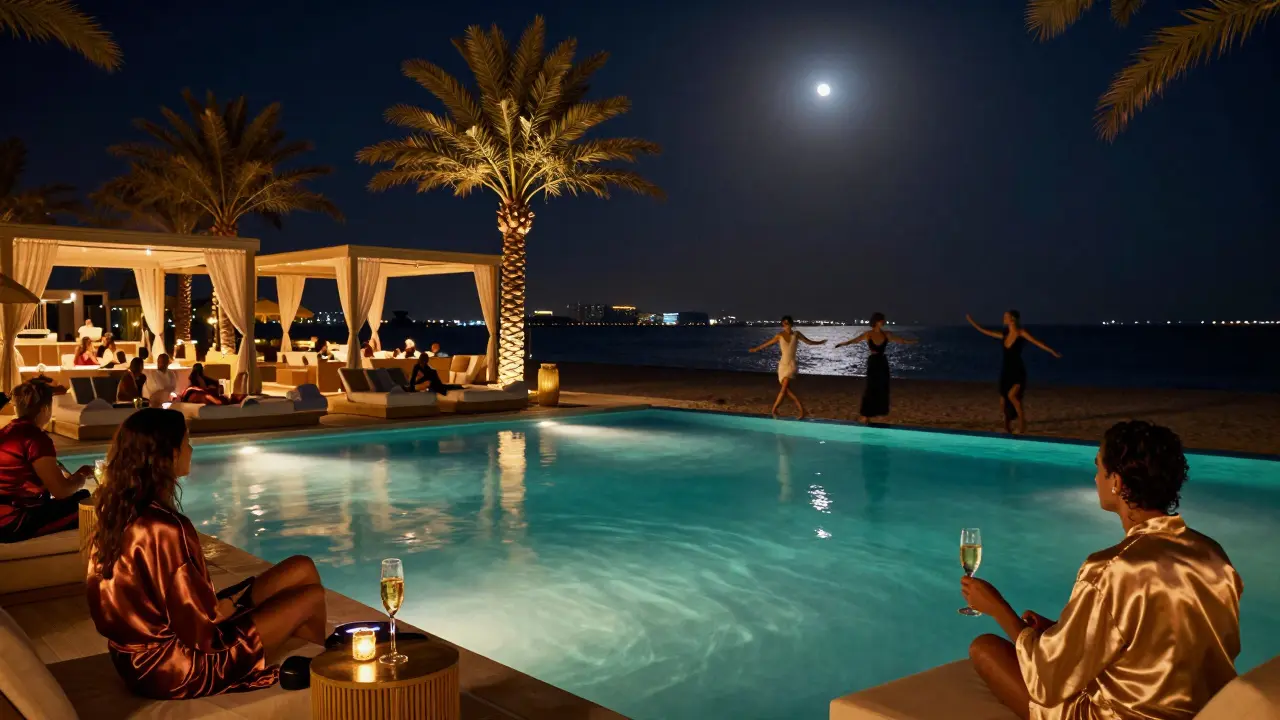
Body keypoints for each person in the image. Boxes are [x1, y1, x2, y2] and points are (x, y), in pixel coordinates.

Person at [962, 421, 1242, 720]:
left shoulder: (1112, 567)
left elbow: (1047, 680)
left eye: (1099, 468)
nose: (1095, 478)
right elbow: (1167, 641)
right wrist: (1058, 629)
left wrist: (998, 608)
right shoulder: (1212, 553)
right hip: (1206, 711)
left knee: (985, 648)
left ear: (1117, 482)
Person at [86, 408, 328, 699]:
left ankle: (305, 658)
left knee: (301, 567)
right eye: (187, 442)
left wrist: (231, 603)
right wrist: (230, 607)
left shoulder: (118, 515)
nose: (191, 449)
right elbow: (201, 629)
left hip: (134, 662)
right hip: (178, 666)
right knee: (311, 597)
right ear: (170, 455)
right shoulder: (167, 527)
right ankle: (317, 683)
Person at [0, 381, 93, 543]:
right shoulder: (36, 439)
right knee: (87, 502)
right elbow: (61, 491)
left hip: (7, 511)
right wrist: (81, 477)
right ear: (45, 409)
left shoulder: (5, 432)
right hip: (13, 521)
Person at [966, 311, 1061, 435]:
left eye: (1006, 316)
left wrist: (1052, 351)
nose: (1003, 318)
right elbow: (986, 332)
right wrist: (973, 323)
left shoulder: (1021, 333)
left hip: (1017, 370)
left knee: (1013, 396)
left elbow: (1037, 342)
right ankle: (1007, 427)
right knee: (1003, 401)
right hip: (1006, 370)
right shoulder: (1004, 334)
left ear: (1013, 319)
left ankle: (1022, 424)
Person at [836, 313, 918, 424]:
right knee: (870, 388)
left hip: (882, 363)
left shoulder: (887, 334)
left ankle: (878, 412)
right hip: (873, 362)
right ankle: (865, 415)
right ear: (877, 321)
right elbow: (855, 340)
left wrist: (913, 341)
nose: (884, 321)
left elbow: (901, 341)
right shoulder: (868, 334)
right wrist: (842, 344)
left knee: (882, 388)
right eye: (882, 320)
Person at [749, 315, 827, 419]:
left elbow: (809, 342)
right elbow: (767, 344)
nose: (785, 325)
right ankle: (800, 410)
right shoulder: (779, 335)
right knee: (786, 391)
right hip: (782, 365)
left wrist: (820, 342)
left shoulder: (796, 334)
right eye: (783, 324)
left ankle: (776, 410)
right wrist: (756, 349)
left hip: (791, 365)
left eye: (787, 323)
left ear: (791, 324)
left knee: (784, 388)